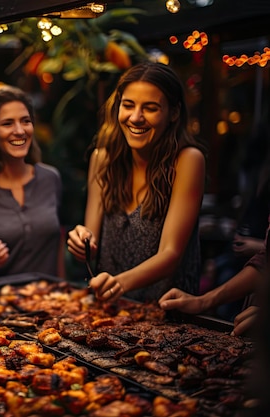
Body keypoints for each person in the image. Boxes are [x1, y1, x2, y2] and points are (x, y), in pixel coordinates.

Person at [66, 62, 206, 302]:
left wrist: (118, 283)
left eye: (150, 108)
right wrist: (83, 242)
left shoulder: (187, 161)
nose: (136, 118)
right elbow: (93, 242)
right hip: (109, 312)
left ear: (173, 113)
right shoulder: (102, 158)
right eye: (128, 105)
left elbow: (170, 255)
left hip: (168, 315)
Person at [0, 83, 65, 278]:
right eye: (7, 123)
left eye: (25, 121)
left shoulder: (50, 178)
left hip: (52, 300)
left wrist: (64, 289)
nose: (19, 131)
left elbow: (57, 242)